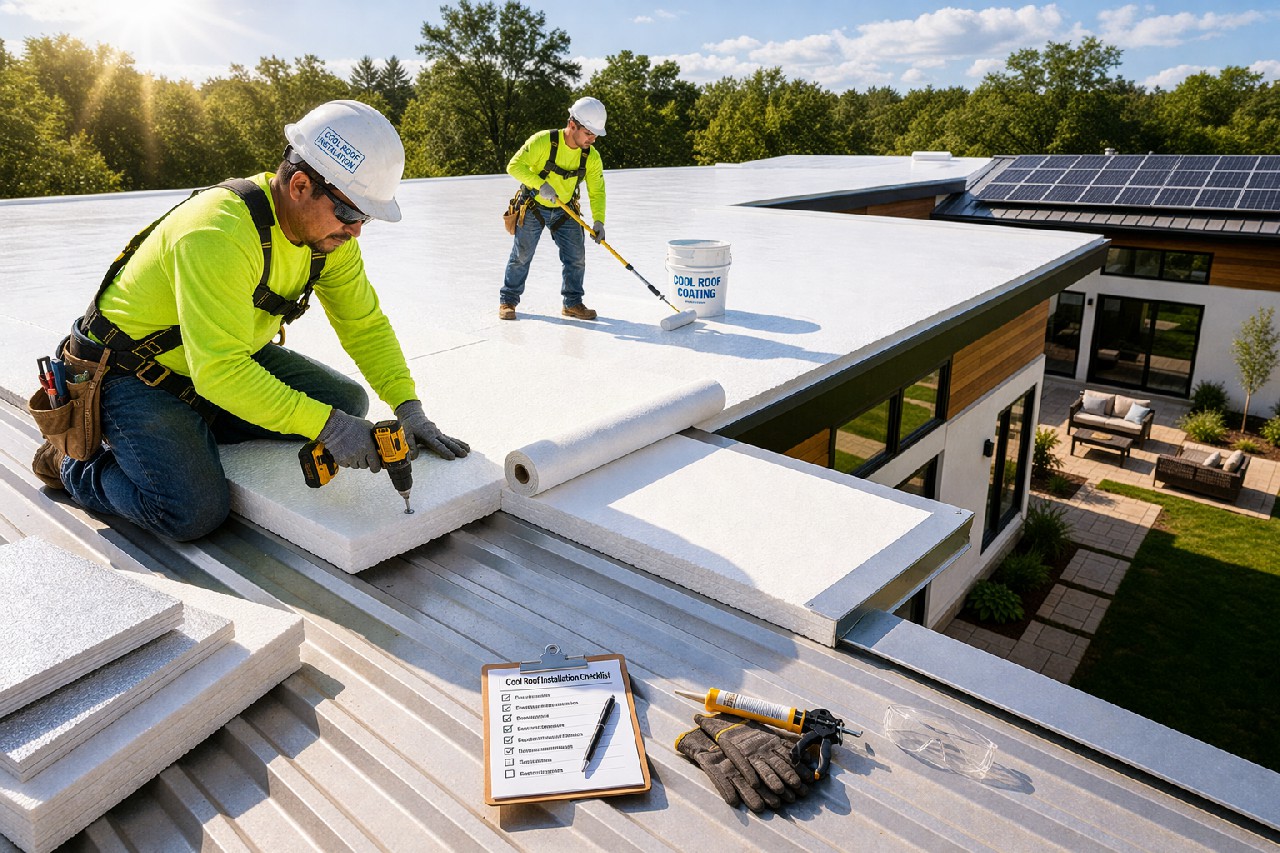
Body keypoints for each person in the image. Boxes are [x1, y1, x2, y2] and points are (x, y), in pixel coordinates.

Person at [32, 100, 469, 541]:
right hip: (128, 374)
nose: (356, 231)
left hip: (211, 363)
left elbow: (364, 325)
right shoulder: (216, 233)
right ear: (300, 185)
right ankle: (73, 465)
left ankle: (190, 426)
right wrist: (328, 427)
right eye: (352, 214)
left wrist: (408, 407)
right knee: (192, 511)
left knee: (348, 401)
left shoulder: (329, 240)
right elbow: (220, 371)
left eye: (366, 217)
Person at [499, 96, 607, 321]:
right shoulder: (543, 141)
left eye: (595, 135)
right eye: (589, 134)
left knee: (576, 257)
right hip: (534, 206)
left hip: (565, 209)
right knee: (521, 255)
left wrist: (599, 221)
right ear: (572, 125)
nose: (593, 140)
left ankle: (572, 303)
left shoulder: (591, 156)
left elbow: (597, 191)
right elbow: (513, 166)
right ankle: (508, 301)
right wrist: (540, 185)